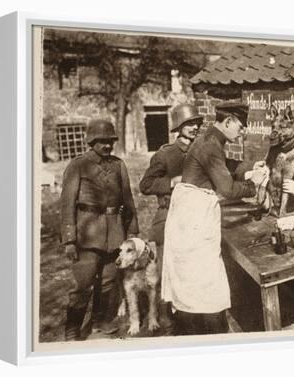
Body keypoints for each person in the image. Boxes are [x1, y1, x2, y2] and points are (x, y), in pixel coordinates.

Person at [161, 102, 268, 335]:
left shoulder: (210, 139)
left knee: (194, 279)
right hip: (192, 218)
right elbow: (227, 189)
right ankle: (208, 335)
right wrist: (254, 184)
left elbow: (223, 165)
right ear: (228, 121)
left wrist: (249, 168)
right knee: (204, 279)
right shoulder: (210, 144)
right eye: (240, 126)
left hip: (191, 214)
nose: (242, 131)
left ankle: (199, 329)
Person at [60, 119, 139, 340]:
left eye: (110, 141)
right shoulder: (78, 165)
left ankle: (99, 321)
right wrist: (69, 239)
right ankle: (72, 327)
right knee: (83, 284)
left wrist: (132, 230)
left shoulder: (118, 165)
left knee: (107, 282)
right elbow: (67, 204)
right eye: (102, 141)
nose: (107, 145)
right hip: (87, 233)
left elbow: (127, 198)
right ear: (91, 141)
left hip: (114, 233)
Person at [139, 103, 203, 327]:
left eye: (196, 123)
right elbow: (145, 185)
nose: (194, 127)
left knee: (192, 269)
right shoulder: (165, 154)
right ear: (179, 126)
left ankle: (192, 314)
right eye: (189, 123)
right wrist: (171, 182)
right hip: (169, 216)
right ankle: (166, 319)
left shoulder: (202, 150)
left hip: (194, 219)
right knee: (167, 270)